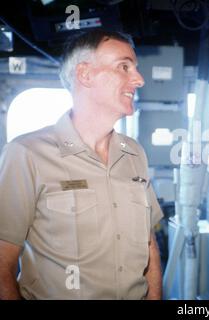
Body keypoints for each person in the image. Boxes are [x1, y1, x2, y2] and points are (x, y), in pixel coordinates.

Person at [0, 30, 163, 299]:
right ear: (85, 74)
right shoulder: (26, 154)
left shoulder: (134, 153)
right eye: (124, 67)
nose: (139, 79)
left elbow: (150, 247)